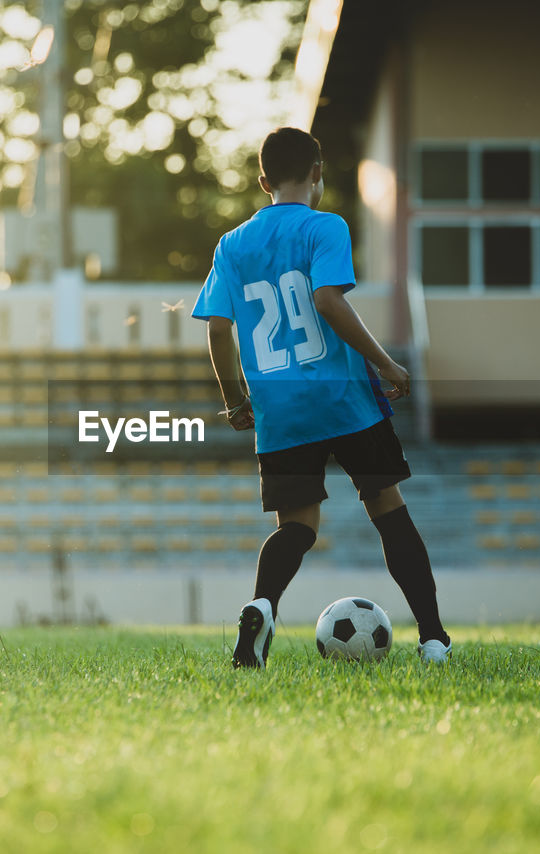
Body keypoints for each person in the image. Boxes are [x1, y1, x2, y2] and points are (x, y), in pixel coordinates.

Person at [191, 126, 452, 668]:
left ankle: (262, 603)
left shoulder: (232, 244)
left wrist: (236, 400)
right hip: (344, 400)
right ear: (317, 172)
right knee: (388, 510)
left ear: (262, 181)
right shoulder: (325, 227)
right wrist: (384, 362)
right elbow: (328, 299)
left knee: (297, 527)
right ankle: (432, 639)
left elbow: (217, 329)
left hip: (281, 412)